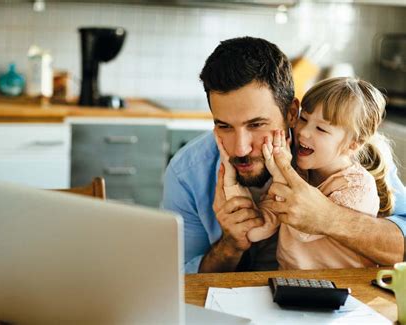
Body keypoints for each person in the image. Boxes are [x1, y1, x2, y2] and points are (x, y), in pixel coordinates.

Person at [162, 36, 406, 274]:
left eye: (256, 125)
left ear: (292, 113)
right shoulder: (187, 173)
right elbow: (178, 280)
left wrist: (329, 218)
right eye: (224, 126)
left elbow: (401, 244)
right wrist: (230, 245)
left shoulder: (346, 154)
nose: (240, 149)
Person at [217, 77, 394, 269]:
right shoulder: (300, 173)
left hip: (343, 288)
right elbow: (257, 231)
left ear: (353, 144)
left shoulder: (358, 187)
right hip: (291, 284)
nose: (303, 132)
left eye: (321, 128)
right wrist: (231, 183)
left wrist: (279, 171)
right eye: (304, 119)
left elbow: (304, 227)